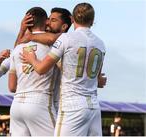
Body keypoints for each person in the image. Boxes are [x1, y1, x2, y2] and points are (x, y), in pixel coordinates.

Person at [20, 2, 105, 136]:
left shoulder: (66, 38)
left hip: (72, 105)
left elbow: (41, 69)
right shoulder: (100, 43)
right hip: (93, 106)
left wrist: (32, 59)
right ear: (92, 21)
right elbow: (98, 78)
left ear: (72, 19)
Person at [8, 7, 57, 136]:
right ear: (45, 22)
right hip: (39, 102)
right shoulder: (53, 45)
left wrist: (22, 31)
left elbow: (12, 86)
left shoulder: (18, 48)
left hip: (17, 104)